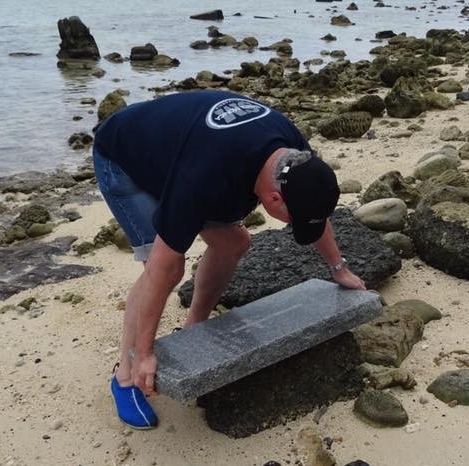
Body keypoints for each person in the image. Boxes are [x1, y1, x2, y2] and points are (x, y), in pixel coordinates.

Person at [93, 90, 366, 429]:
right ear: (273, 198)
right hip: (124, 158)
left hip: (180, 148)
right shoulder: (201, 179)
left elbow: (313, 208)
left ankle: (195, 325)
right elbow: (163, 268)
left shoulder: (296, 156)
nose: (294, 225)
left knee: (234, 242)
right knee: (163, 268)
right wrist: (147, 353)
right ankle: (126, 375)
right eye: (292, 220)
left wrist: (338, 268)